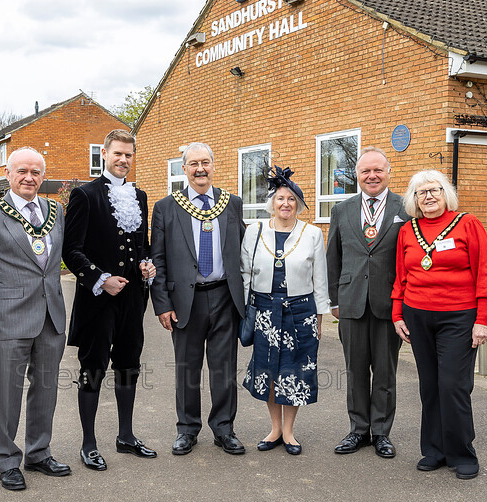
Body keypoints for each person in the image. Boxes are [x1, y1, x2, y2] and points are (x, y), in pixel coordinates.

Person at [0, 147, 70, 491]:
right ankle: (6, 459)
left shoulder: (56, 211)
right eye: (22, 171)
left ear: (43, 176)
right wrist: (3, 303)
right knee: (8, 393)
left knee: (45, 390)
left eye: (36, 172)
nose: (29, 178)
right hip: (10, 318)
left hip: (51, 317)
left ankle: (39, 453)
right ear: (9, 175)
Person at [392, 169, 487, 480]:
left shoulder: (467, 223)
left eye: (434, 190)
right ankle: (434, 450)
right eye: (422, 193)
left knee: (454, 385)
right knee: (430, 386)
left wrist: (483, 319)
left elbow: (486, 271)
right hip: (417, 316)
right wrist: (397, 314)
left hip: (459, 317)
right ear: (414, 200)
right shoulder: (407, 231)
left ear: (445, 193)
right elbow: (401, 277)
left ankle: (462, 453)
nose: (429, 197)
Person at [62, 129, 157, 471]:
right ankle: (88, 443)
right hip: (98, 298)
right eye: (117, 153)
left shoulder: (140, 195)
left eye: (129, 155)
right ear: (104, 154)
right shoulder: (84, 195)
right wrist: (100, 278)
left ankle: (126, 436)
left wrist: (147, 264)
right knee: (93, 368)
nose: (123, 160)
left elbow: (141, 244)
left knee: (129, 365)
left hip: (132, 298)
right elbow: (70, 250)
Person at [150, 142, 247, 456]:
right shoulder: (166, 207)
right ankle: (187, 430)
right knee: (187, 369)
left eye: (205, 162)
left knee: (224, 368)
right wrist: (162, 304)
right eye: (193, 164)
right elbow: (158, 260)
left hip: (224, 296)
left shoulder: (232, 204)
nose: (200, 169)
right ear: (184, 168)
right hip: (184, 301)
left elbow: (244, 251)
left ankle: (223, 428)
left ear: (213, 165)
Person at [326, 146, 409, 459]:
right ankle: (358, 430)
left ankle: (382, 433)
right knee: (355, 371)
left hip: (390, 303)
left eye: (378, 170)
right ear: (356, 176)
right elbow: (332, 257)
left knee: (385, 372)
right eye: (365, 171)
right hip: (350, 302)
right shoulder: (342, 210)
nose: (372, 176)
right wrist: (333, 298)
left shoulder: (406, 207)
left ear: (388, 173)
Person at [240, 167, 328, 456]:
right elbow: (244, 272)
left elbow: (320, 278)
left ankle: (289, 432)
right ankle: (275, 428)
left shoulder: (312, 233)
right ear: (272, 203)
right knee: (268, 371)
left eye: (292, 199)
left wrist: (319, 316)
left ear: (298, 204)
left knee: (295, 372)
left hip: (301, 312)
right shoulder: (254, 231)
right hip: (265, 310)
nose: (286, 204)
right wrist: (245, 309)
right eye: (280, 198)